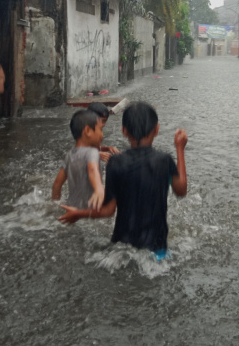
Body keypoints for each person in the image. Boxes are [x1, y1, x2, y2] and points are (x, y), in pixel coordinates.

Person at [59, 102, 188, 259]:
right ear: (156, 129)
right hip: (156, 249)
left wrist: (79, 214)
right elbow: (181, 191)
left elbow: (108, 211)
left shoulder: (115, 162)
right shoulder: (164, 160)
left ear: (124, 130)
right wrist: (180, 149)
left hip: (120, 250)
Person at [51, 109, 106, 210]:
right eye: (100, 130)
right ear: (88, 131)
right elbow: (92, 169)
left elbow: (56, 185)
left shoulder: (70, 155)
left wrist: (55, 206)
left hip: (71, 208)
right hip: (89, 210)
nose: (102, 135)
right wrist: (99, 188)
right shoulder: (92, 152)